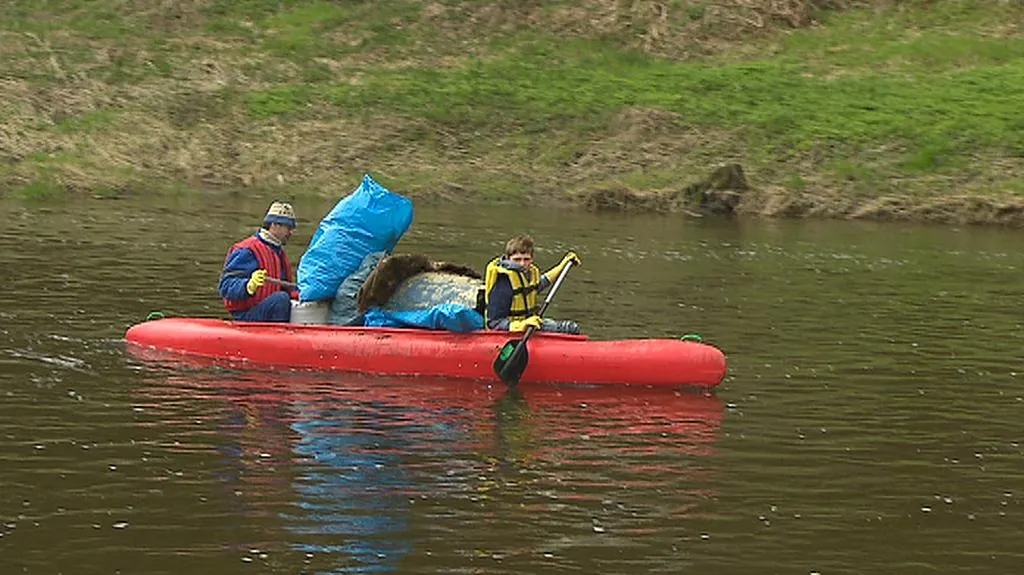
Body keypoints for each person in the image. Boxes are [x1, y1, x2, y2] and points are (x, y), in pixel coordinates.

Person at [483, 235, 582, 334]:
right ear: (508, 259)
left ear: (532, 259)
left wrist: (563, 264)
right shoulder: (504, 281)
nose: (522, 264)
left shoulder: (529, 273)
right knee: (568, 328)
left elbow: (541, 283)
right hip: (509, 331)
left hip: (531, 325)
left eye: (526, 259)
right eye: (517, 259)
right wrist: (522, 325)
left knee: (572, 328)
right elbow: (495, 323)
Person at [219, 201, 299, 322]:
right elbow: (226, 286)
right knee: (281, 299)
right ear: (274, 225)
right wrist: (248, 286)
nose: (291, 232)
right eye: (288, 227)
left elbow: (287, 290)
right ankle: (279, 338)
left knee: (287, 299)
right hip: (247, 315)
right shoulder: (247, 250)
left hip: (267, 310)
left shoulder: (278, 253)